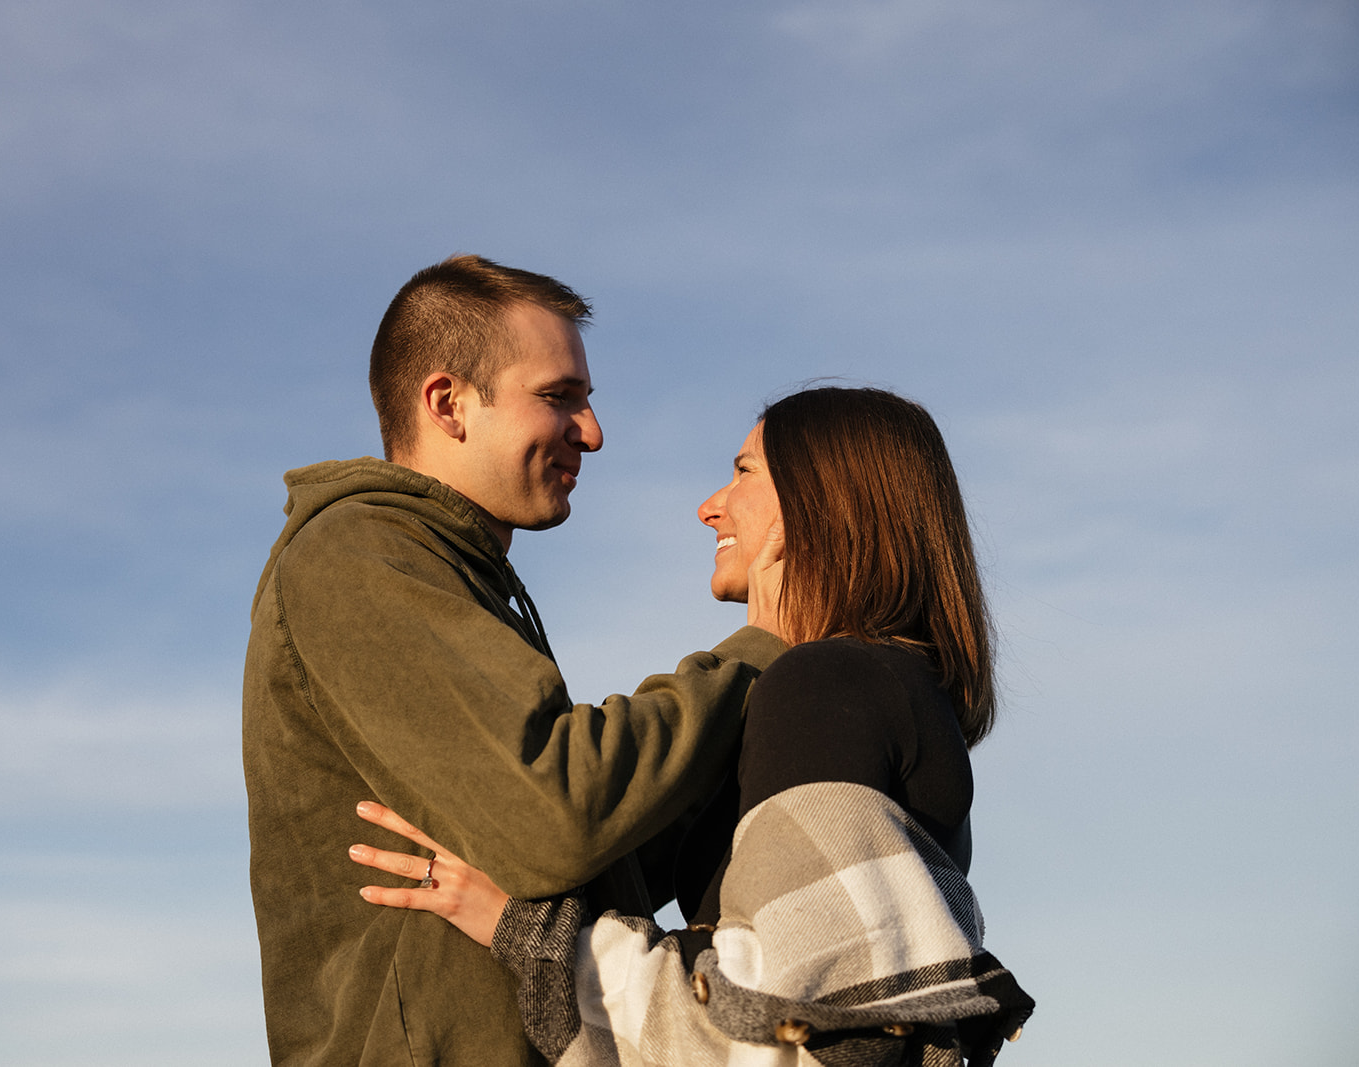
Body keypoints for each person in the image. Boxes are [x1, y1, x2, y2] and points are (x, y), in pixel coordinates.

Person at [351, 387, 1036, 1065]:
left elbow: (776, 1032)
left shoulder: (825, 688)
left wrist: (520, 928)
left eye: (743, 472)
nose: (711, 507)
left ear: (821, 499)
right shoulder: (899, 691)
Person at [242, 254, 788, 1067]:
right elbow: (555, 818)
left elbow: (599, 858)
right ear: (447, 402)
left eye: (588, 401)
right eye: (559, 397)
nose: (593, 432)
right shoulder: (357, 555)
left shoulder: (455, 574)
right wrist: (765, 648)